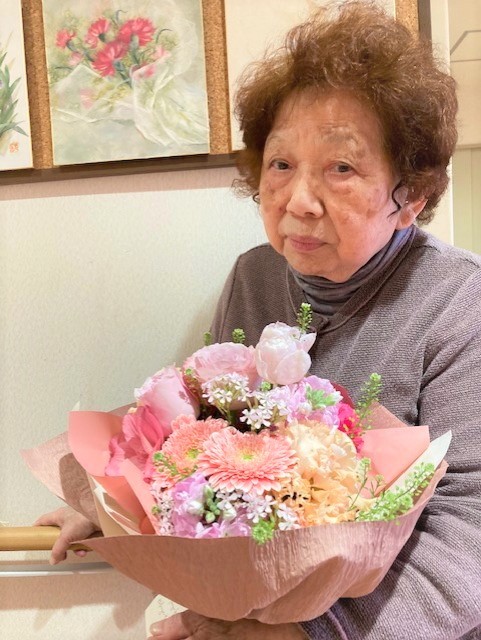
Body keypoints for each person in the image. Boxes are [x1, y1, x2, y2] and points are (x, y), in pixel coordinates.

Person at [38, 2, 481, 639]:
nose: (298, 201)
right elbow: (205, 436)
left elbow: (469, 534)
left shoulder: (460, 303)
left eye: (342, 168)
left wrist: (313, 634)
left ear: (410, 194)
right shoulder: (255, 276)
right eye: (281, 164)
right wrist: (113, 503)